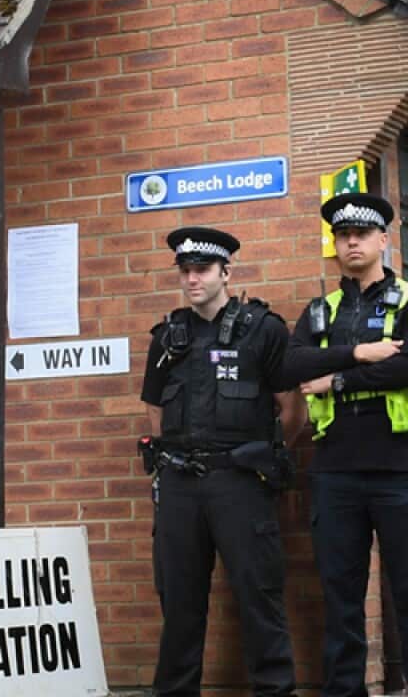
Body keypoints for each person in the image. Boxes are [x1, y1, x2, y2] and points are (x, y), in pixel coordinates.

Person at [140, 227, 301, 697]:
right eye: (185, 270)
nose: (192, 279)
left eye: (203, 269)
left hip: (240, 482)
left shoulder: (264, 330)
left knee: (259, 597)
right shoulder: (167, 336)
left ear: (226, 272)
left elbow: (293, 411)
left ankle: (275, 690)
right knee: (179, 603)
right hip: (179, 484)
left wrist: (265, 458)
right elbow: (154, 409)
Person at [286, 193, 408, 697]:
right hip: (334, 471)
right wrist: (360, 353)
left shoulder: (407, 299)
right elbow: (292, 365)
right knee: (340, 598)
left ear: (384, 239)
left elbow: (404, 367)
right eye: (343, 235)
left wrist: (336, 379)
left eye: (361, 234)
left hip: (399, 467)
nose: (352, 242)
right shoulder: (321, 311)